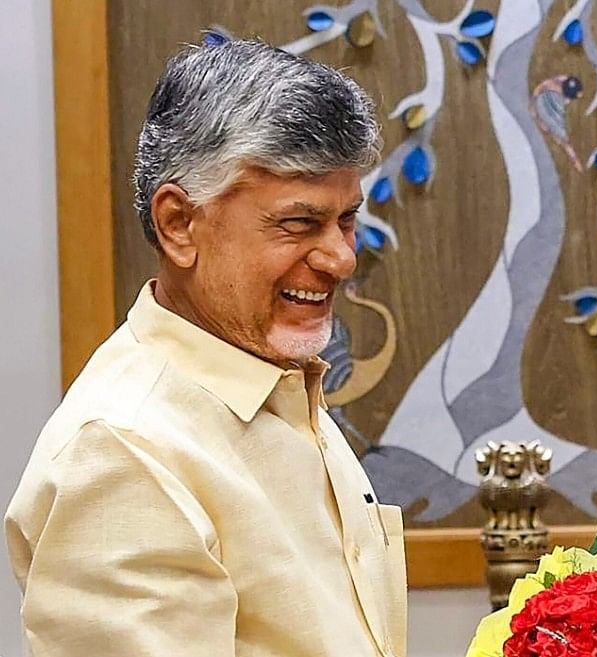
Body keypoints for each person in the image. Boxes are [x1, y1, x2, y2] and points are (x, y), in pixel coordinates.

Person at [6, 40, 405, 657]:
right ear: (178, 225)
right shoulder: (124, 451)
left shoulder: (277, 380)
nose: (342, 258)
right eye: (298, 224)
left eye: (346, 219)